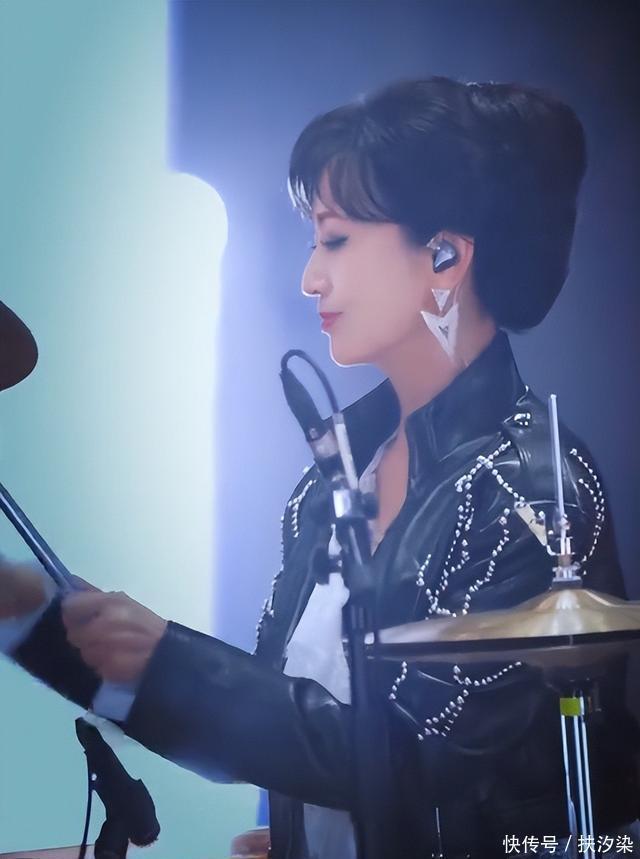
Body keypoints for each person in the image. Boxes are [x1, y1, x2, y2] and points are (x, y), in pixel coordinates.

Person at [1, 77, 639, 858]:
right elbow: (289, 728)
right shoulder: (334, 477)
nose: (310, 276)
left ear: (444, 257)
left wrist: (167, 660)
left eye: (334, 240)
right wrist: (32, 618)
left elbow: (421, 755)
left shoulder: (534, 487)